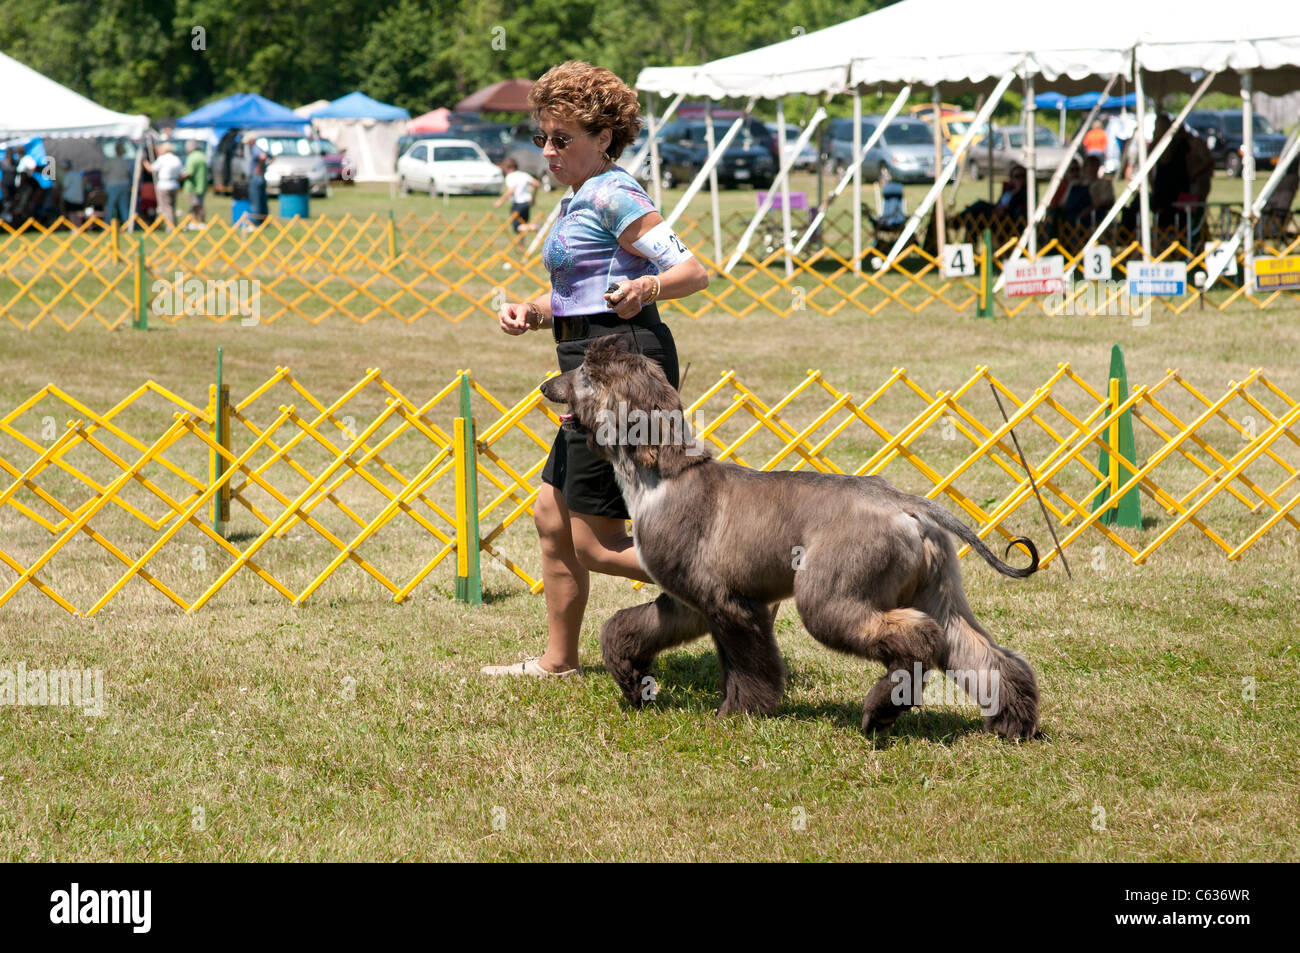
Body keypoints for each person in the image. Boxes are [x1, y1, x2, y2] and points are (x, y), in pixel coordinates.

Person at [483, 60, 709, 677]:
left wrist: (649, 288)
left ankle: (724, 590)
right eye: (542, 138)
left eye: (563, 139)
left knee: (597, 542)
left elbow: (694, 272)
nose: (548, 151)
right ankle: (560, 661)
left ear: (603, 138)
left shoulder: (616, 193)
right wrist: (532, 309)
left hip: (622, 367)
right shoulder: (579, 197)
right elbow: (581, 287)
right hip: (585, 358)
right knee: (552, 519)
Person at [493, 157, 541, 240]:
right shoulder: (523, 174)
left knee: (517, 226)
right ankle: (521, 247)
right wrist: (533, 198)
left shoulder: (510, 176)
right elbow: (537, 184)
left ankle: (535, 227)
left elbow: (511, 190)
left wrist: (500, 201)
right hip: (527, 203)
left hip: (518, 204)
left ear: (510, 168)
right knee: (523, 225)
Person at [146, 143, 183, 228]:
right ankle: (173, 224)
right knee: (172, 207)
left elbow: (151, 169)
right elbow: (181, 173)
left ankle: (170, 227)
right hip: (174, 184)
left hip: (164, 185)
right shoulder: (176, 159)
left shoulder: (162, 159)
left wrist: (144, 162)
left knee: (166, 207)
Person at [104, 141, 133, 225]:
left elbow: (104, 171)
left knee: (110, 206)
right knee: (123, 207)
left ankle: (107, 225)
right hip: (124, 184)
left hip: (113, 184)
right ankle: (127, 226)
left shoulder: (111, 160)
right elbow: (128, 173)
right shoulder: (125, 161)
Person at [181, 140, 210, 227]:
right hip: (202, 184)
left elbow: (189, 172)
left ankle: (198, 222)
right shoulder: (202, 155)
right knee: (199, 204)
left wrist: (180, 176)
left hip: (194, 186)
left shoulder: (191, 157)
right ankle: (197, 222)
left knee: (196, 205)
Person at [247, 152, 269, 227]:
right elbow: (272, 157)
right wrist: (265, 167)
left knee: (255, 203)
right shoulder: (263, 147)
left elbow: (262, 156)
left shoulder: (255, 148)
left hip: (256, 178)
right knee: (262, 202)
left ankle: (255, 223)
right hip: (261, 178)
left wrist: (259, 168)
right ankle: (264, 223)